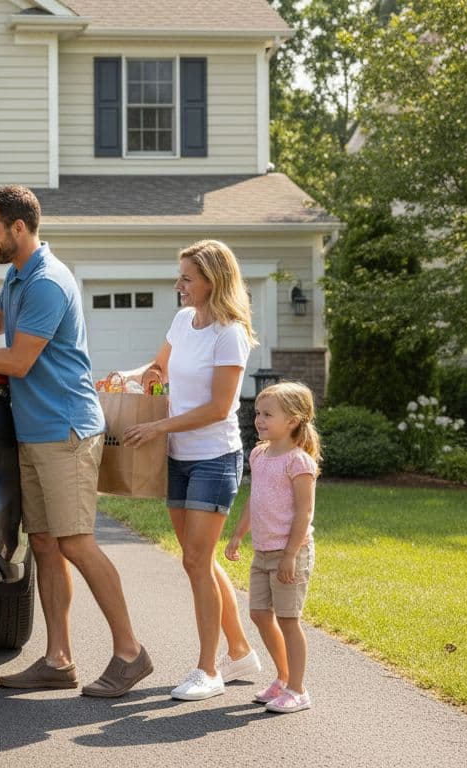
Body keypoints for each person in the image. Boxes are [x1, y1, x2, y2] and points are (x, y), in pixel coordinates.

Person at [0, 185, 152, 697]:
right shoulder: (19, 275)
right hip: (37, 431)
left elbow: (18, 360)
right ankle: (58, 659)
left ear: (19, 228)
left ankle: (131, 652)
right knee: (44, 543)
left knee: (76, 543)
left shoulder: (46, 281)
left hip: (65, 430)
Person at [121, 239, 262, 701]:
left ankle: (209, 670)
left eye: (187, 278)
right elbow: (159, 366)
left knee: (197, 561)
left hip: (214, 458)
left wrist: (160, 425)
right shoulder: (183, 321)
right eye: (180, 275)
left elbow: (220, 407)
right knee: (197, 560)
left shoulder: (230, 333)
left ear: (211, 281)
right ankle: (240, 650)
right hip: (178, 456)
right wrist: (131, 377)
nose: (178, 285)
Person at [226, 382, 320, 714]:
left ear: (293, 421)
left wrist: (291, 555)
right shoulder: (259, 454)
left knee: (288, 619)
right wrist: (238, 535)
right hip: (262, 551)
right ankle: (283, 678)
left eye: (268, 414)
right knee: (259, 614)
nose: (259, 420)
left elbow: (304, 512)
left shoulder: (299, 463)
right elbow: (256, 498)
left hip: (289, 553)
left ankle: (298, 689)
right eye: (257, 413)